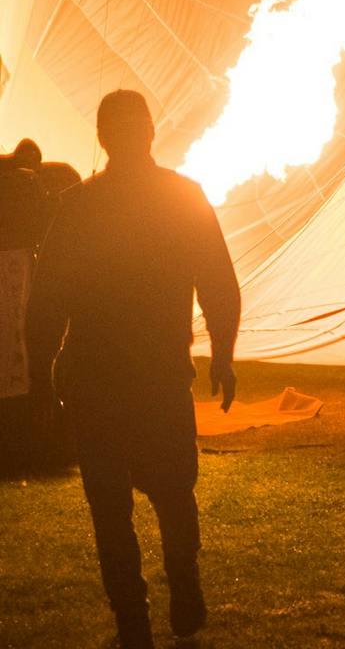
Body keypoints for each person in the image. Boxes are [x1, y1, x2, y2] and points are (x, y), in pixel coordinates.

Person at [26, 91, 240, 648]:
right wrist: (222, 354)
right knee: (174, 492)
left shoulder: (77, 205)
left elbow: (46, 300)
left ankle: (133, 621)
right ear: (150, 130)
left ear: (102, 138)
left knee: (110, 508)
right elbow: (219, 284)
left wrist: (41, 378)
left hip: (97, 378)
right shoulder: (184, 197)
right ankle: (184, 584)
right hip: (159, 375)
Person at [0, 140, 49, 469]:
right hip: (20, 269)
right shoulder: (32, 185)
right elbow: (41, 228)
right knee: (19, 342)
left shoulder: (10, 182)